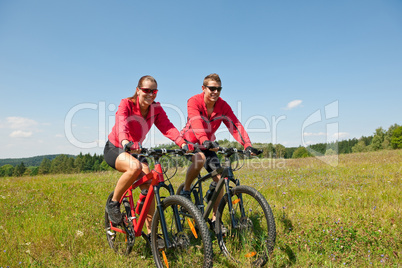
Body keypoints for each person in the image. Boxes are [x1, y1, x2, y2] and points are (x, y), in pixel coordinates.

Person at [104, 75, 190, 240]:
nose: (150, 94)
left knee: (150, 185)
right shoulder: (126, 104)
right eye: (146, 90)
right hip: (116, 147)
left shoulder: (156, 109)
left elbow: (167, 127)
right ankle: (113, 203)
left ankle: (151, 233)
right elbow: (121, 122)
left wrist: (182, 143)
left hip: (136, 151)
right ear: (138, 90)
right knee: (134, 168)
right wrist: (125, 141)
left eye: (154, 91)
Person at [180, 73, 260, 228]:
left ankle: (215, 219)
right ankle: (186, 190)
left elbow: (235, 125)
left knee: (220, 181)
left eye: (219, 89)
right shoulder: (193, 101)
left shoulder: (223, 105)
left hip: (208, 143)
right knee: (200, 158)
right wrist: (204, 140)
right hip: (191, 141)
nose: (215, 92)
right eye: (212, 88)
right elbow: (196, 122)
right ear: (203, 88)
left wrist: (247, 145)